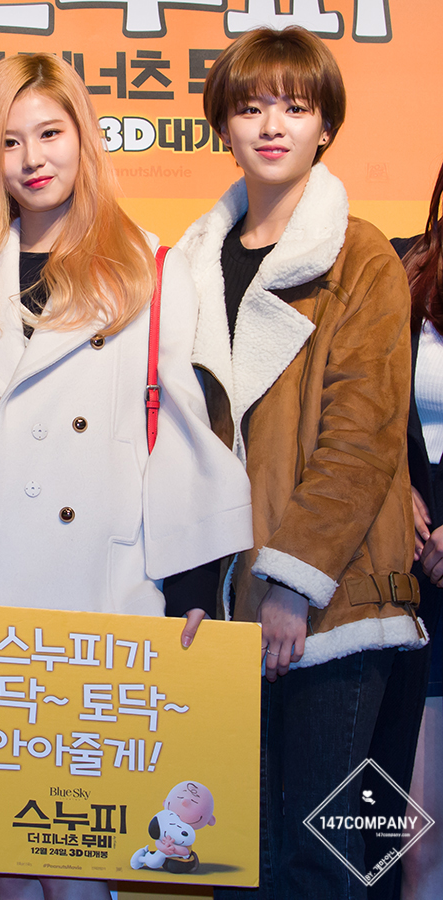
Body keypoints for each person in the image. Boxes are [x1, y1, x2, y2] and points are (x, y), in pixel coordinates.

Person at [0, 52, 252, 900]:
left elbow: (181, 435)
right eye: (9, 141)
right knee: (3, 860)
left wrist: (194, 586)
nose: (32, 158)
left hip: (103, 603)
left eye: (49, 133)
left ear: (84, 137)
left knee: (84, 866)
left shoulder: (151, 269)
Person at [177, 26, 424, 900]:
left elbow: (364, 434)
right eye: (251, 107)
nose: (272, 125)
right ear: (223, 125)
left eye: (294, 106)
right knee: (233, 856)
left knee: (328, 860)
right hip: (224, 602)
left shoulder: (363, 255)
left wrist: (291, 581)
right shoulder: (191, 262)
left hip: (337, 598)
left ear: (326, 125)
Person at [390, 164, 443, 900]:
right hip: (410, 578)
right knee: (413, 840)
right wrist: (388, 486)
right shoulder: (396, 267)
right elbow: (352, 402)